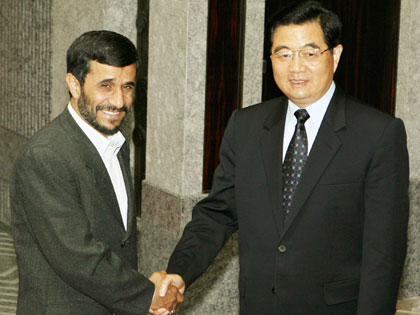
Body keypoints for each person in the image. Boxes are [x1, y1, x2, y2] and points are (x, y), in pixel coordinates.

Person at [158, 1, 410, 314]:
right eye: (284, 53)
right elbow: (217, 213)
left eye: (309, 52)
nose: (296, 67)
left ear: (336, 55)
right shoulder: (246, 125)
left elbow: (383, 256)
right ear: (271, 58)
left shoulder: (378, 134)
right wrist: (180, 272)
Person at [11, 30, 182, 315]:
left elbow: (118, 241)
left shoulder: (116, 144)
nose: (119, 101)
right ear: (74, 85)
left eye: (127, 87)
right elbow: (77, 256)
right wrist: (147, 295)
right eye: (106, 86)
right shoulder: (46, 156)